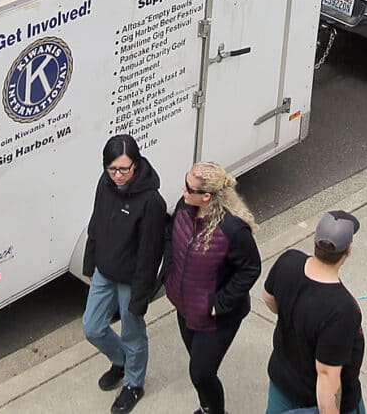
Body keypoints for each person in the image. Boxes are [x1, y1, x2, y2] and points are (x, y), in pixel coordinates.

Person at [158, 161, 260, 414]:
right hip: (185, 307)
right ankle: (206, 408)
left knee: (202, 372)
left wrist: (220, 303)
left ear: (206, 196)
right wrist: (168, 274)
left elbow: (250, 269)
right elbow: (171, 237)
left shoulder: (232, 230)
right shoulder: (184, 207)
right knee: (198, 368)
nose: (183, 189)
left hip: (217, 317)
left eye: (189, 187)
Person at [81, 134, 165, 414]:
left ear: (136, 165)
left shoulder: (151, 202)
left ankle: (134, 384)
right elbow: (96, 223)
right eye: (112, 169)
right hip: (105, 272)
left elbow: (149, 254)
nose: (118, 175)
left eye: (124, 169)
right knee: (92, 327)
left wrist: (140, 297)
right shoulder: (105, 184)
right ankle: (121, 361)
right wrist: (89, 264)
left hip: (131, 281)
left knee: (133, 334)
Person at [264, 209, 367, 414]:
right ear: (348, 250)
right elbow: (327, 374)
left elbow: (269, 299)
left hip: (282, 386)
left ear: (315, 241)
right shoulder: (341, 309)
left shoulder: (288, 261)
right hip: (319, 403)